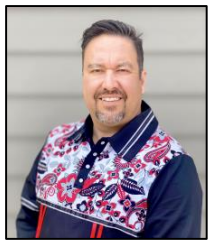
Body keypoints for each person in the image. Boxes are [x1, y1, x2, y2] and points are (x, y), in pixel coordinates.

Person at [16, 19, 202, 239]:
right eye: (97, 70)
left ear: (141, 80)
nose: (109, 83)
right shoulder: (56, 141)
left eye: (122, 69)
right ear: (84, 78)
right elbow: (28, 221)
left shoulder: (172, 167)